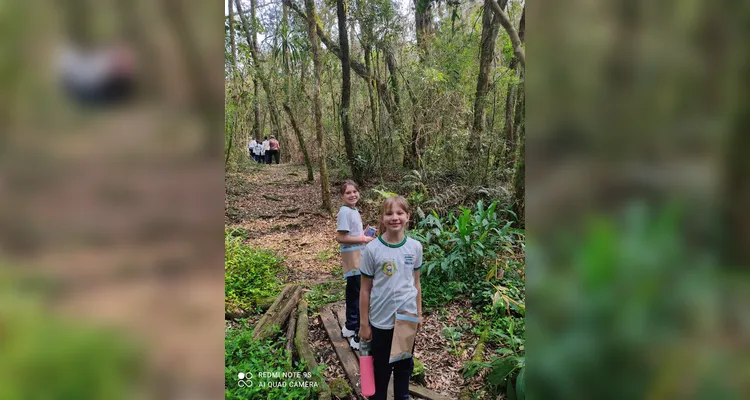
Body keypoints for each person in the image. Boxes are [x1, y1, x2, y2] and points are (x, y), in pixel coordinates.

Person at [360, 196, 423, 400]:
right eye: (389, 213)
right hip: (381, 321)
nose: (394, 217)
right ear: (382, 217)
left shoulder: (415, 247)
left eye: (399, 213)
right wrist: (364, 324)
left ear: (408, 217)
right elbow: (365, 289)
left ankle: (402, 396)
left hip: (407, 319)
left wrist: (419, 314)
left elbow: (416, 284)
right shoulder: (372, 249)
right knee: (381, 369)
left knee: (404, 367)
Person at [335, 180, 374, 350]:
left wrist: (362, 234)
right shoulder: (344, 212)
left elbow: (350, 234)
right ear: (342, 196)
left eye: (354, 191)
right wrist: (364, 238)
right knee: (360, 295)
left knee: (353, 291)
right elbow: (340, 237)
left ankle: (350, 326)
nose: (352, 195)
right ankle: (359, 333)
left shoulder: (352, 210)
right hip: (354, 258)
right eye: (348, 192)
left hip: (356, 256)